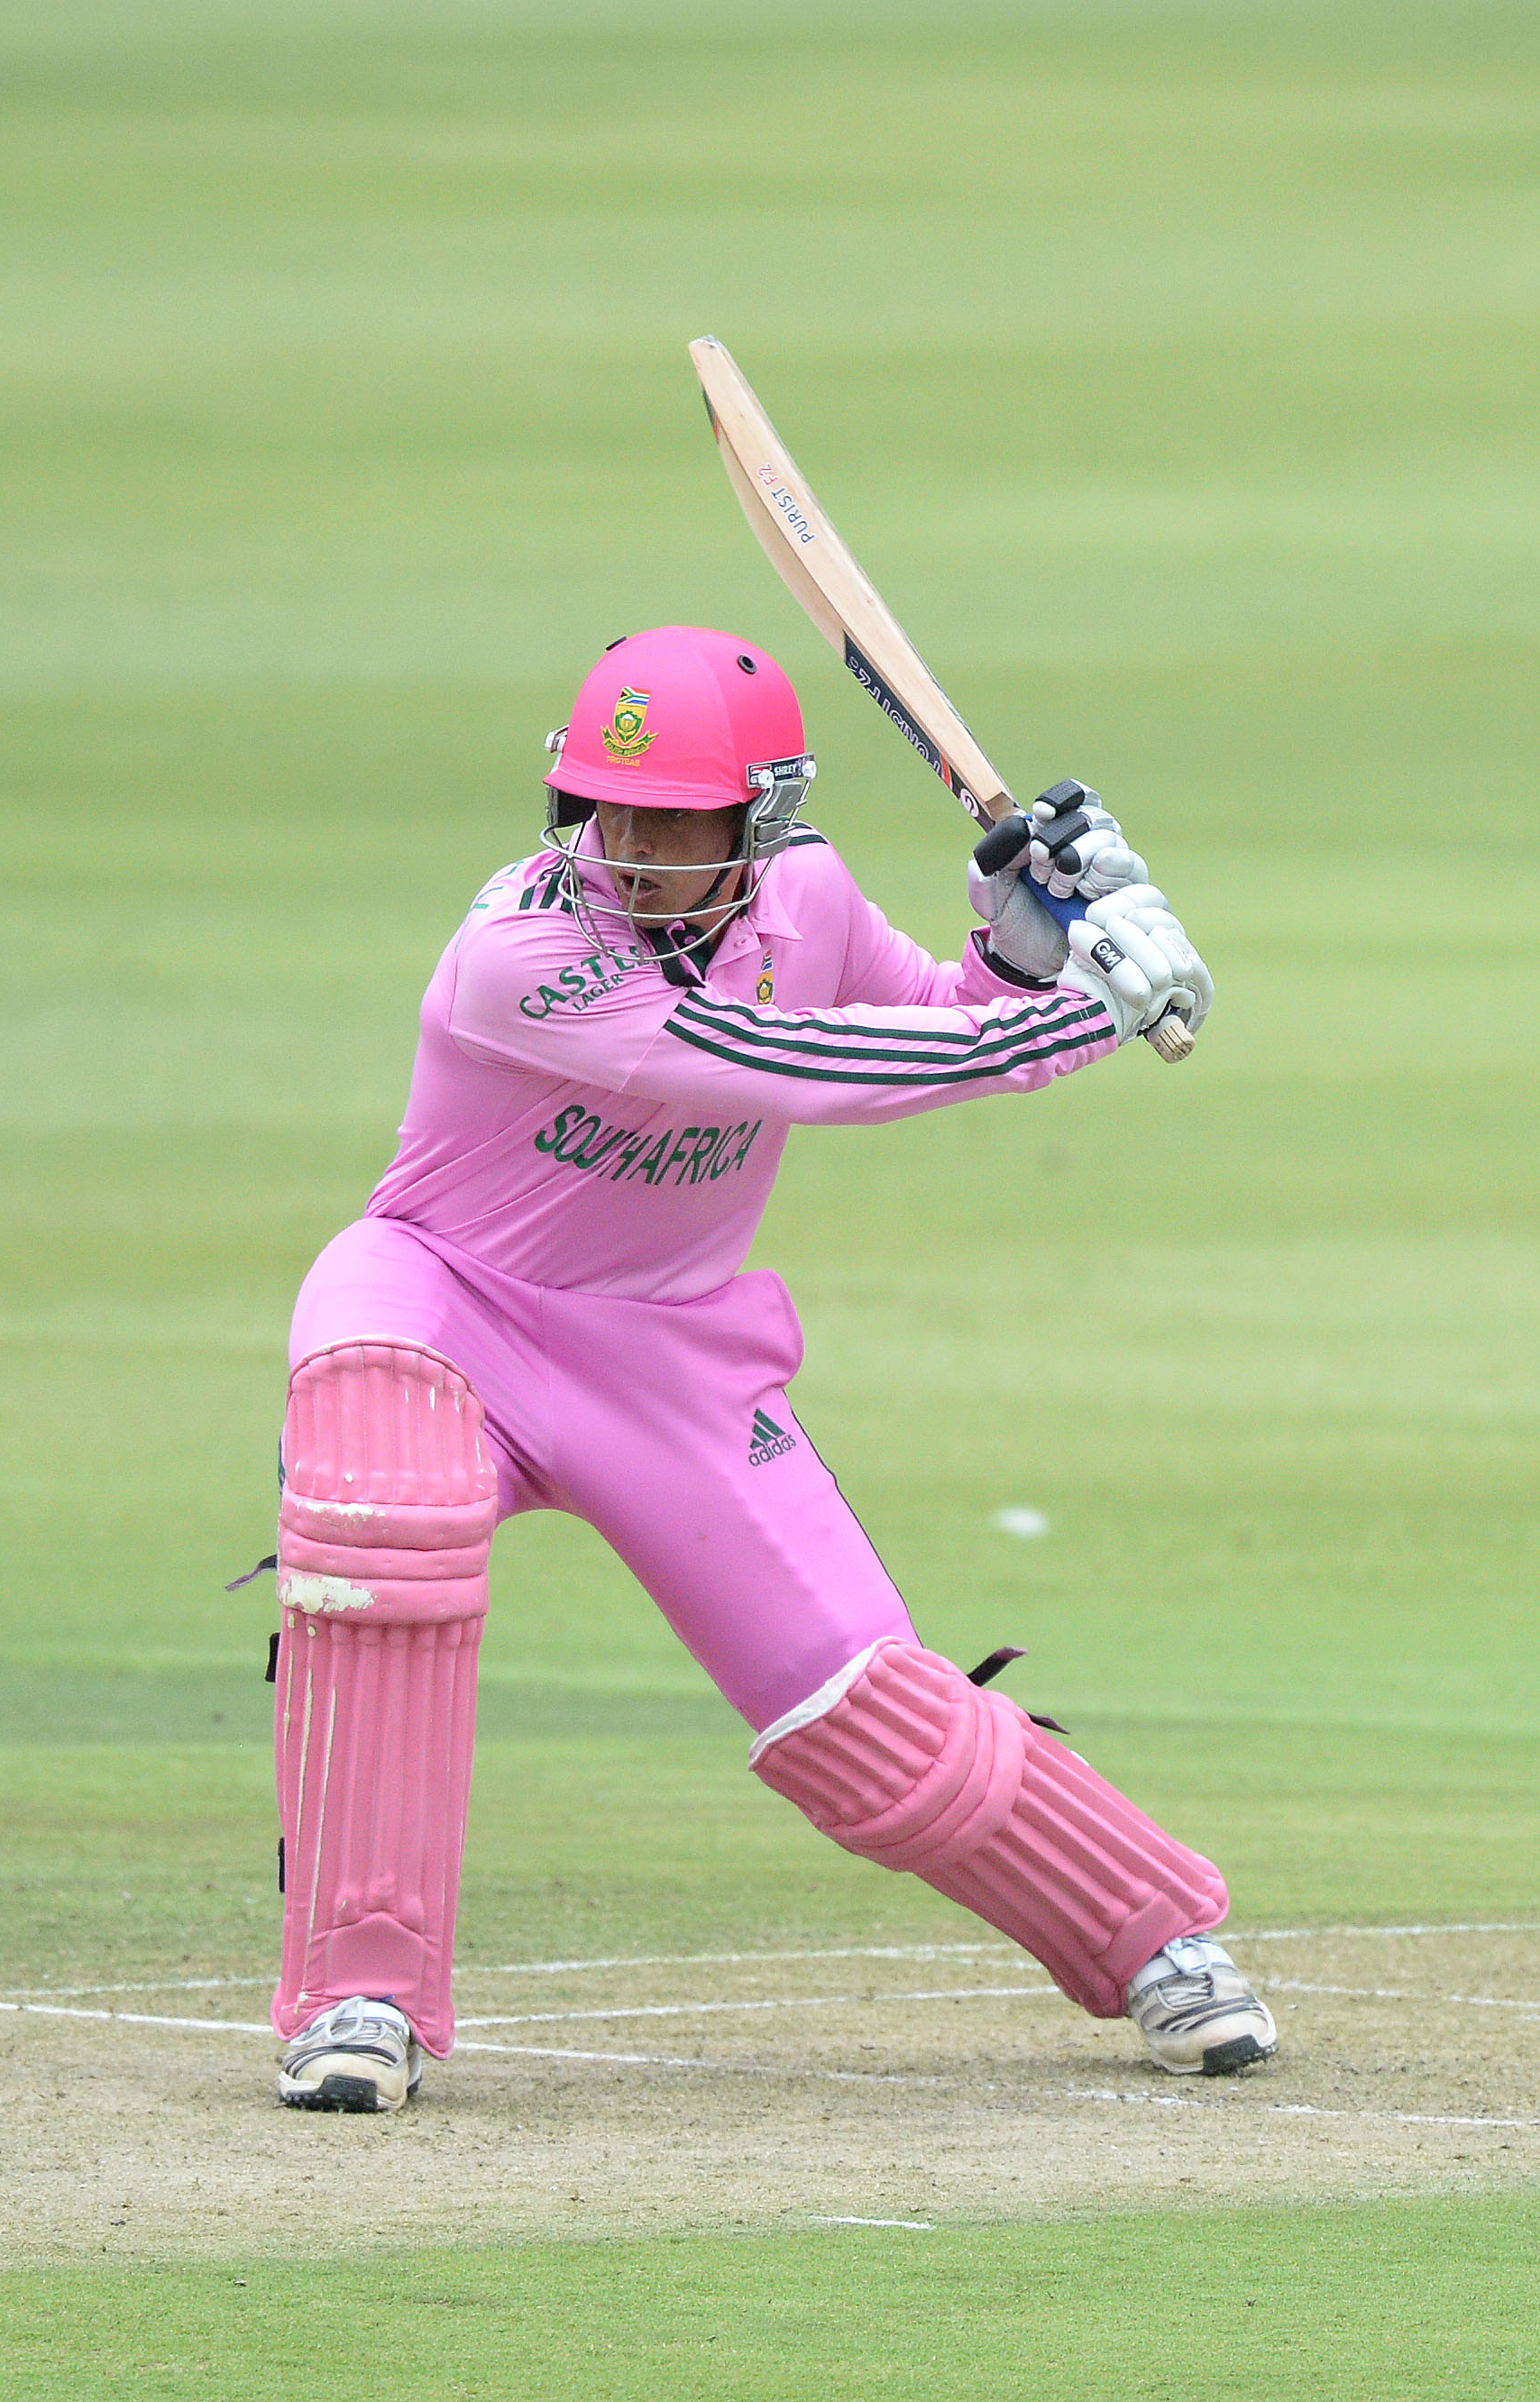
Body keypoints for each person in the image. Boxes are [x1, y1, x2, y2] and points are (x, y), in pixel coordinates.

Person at [262, 625, 1274, 2111]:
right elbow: (795, 1066)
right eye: (609, 812)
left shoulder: (806, 895)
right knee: (384, 1523)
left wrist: (1023, 954)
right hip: (441, 1303)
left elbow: (929, 1020)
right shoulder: (521, 953)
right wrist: (1086, 1013)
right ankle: (360, 1997)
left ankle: (1150, 1937)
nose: (633, 851)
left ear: (762, 817)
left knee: (866, 1715)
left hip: (665, 1354)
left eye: (676, 821)